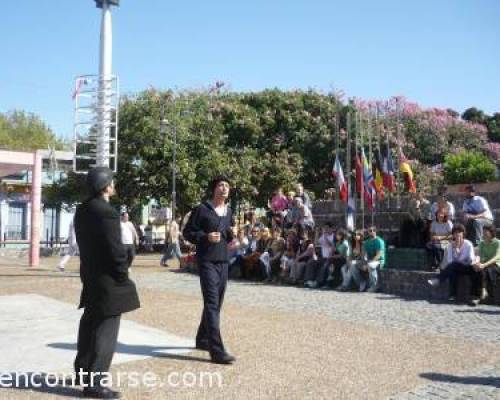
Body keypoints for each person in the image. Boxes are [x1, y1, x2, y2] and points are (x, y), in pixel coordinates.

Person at [74, 167, 140, 399]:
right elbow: (116, 250)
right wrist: (122, 274)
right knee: (106, 331)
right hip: (109, 280)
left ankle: (83, 373)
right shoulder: (108, 212)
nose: (113, 184)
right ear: (106, 186)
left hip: (90, 275)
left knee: (90, 324)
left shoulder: (82, 210)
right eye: (112, 181)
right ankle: (95, 382)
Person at [182, 175, 236, 365]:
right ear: (214, 189)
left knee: (216, 303)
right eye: (221, 185)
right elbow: (187, 232)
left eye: (227, 186)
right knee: (212, 303)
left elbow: (226, 235)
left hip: (223, 261)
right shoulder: (202, 210)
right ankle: (217, 351)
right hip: (206, 262)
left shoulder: (229, 211)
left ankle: (202, 339)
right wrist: (205, 237)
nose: (224, 188)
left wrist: (231, 234)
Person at [428, 223, 477, 303]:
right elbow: (450, 260)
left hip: (468, 267)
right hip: (455, 267)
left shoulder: (468, 244)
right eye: (455, 233)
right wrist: (456, 254)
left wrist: (458, 252)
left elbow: (471, 259)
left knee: (453, 266)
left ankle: (439, 279)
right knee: (452, 270)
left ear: (463, 233)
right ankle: (453, 295)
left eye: (459, 232)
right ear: (453, 235)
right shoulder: (450, 245)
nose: (457, 234)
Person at [352, 226, 385, 292]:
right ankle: (361, 282)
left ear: (376, 232)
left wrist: (367, 264)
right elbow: (363, 254)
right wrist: (364, 262)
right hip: (369, 261)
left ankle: (374, 286)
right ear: (368, 232)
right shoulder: (366, 242)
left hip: (379, 261)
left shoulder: (379, 241)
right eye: (370, 231)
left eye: (373, 230)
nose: (372, 232)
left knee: (370, 265)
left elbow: (379, 255)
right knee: (353, 264)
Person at [472, 225, 500, 302]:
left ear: (491, 233)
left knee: (486, 270)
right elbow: (479, 256)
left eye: (485, 232)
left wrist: (483, 265)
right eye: (483, 232)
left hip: (496, 265)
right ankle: (481, 293)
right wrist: (476, 263)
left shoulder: (497, 242)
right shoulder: (482, 243)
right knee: (475, 270)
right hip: (484, 264)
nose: (483, 234)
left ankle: (483, 293)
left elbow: (496, 257)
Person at [305, 223, 335, 289]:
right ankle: (309, 280)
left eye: (327, 228)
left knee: (324, 267)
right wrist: (317, 233)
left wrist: (325, 236)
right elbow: (316, 243)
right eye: (325, 228)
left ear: (331, 229)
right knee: (311, 262)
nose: (326, 230)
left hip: (330, 257)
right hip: (322, 257)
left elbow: (331, 245)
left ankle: (317, 282)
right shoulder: (323, 236)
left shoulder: (333, 236)